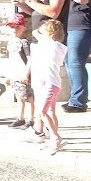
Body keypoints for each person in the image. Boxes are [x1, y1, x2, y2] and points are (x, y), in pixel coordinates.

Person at [30, 19, 68, 153]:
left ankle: (56, 137)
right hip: (51, 83)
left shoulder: (53, 46)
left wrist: (40, 30)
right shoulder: (55, 47)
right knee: (50, 112)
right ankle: (53, 139)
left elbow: (35, 33)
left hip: (50, 84)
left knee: (42, 112)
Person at [4, 12, 35, 129]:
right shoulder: (12, 42)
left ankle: (31, 119)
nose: (14, 30)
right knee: (19, 96)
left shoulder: (24, 42)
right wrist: (9, 75)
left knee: (29, 98)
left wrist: (26, 73)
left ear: (23, 27)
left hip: (23, 74)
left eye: (17, 27)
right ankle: (20, 118)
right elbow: (11, 59)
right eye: (12, 27)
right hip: (16, 74)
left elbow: (30, 59)